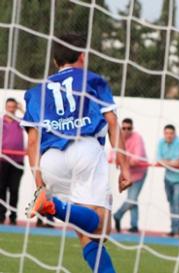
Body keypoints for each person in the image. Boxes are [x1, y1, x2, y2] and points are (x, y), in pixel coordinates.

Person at [23, 33, 132, 273]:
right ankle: (54, 207)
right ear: (83, 56)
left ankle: (53, 205)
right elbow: (113, 122)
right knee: (102, 230)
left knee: (86, 234)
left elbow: (32, 142)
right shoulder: (93, 81)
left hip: (50, 160)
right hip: (85, 151)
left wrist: (39, 182)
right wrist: (124, 167)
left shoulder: (35, 92)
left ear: (55, 61)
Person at [113, 118, 148, 233]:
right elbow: (111, 156)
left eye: (129, 128)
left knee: (132, 199)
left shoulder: (137, 138)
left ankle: (117, 215)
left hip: (139, 173)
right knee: (133, 199)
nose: (126, 130)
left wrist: (122, 161)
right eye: (124, 128)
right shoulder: (117, 138)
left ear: (132, 129)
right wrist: (122, 161)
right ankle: (134, 226)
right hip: (126, 173)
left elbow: (137, 159)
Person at [157, 124, 179, 237]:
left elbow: (178, 162)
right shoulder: (161, 142)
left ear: (174, 134)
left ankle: (177, 231)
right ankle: (173, 229)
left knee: (177, 202)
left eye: (171, 133)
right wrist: (170, 162)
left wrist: (167, 162)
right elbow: (159, 159)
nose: (169, 136)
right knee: (171, 202)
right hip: (168, 178)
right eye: (167, 133)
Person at [1, 98, 25, 225]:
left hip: (18, 161)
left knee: (14, 189)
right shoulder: (1, 122)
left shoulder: (20, 122)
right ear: (6, 107)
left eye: (13, 107)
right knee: (1, 189)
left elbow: (32, 123)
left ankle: (13, 216)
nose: (11, 109)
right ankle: (1, 216)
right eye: (9, 107)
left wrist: (22, 109)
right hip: (2, 161)